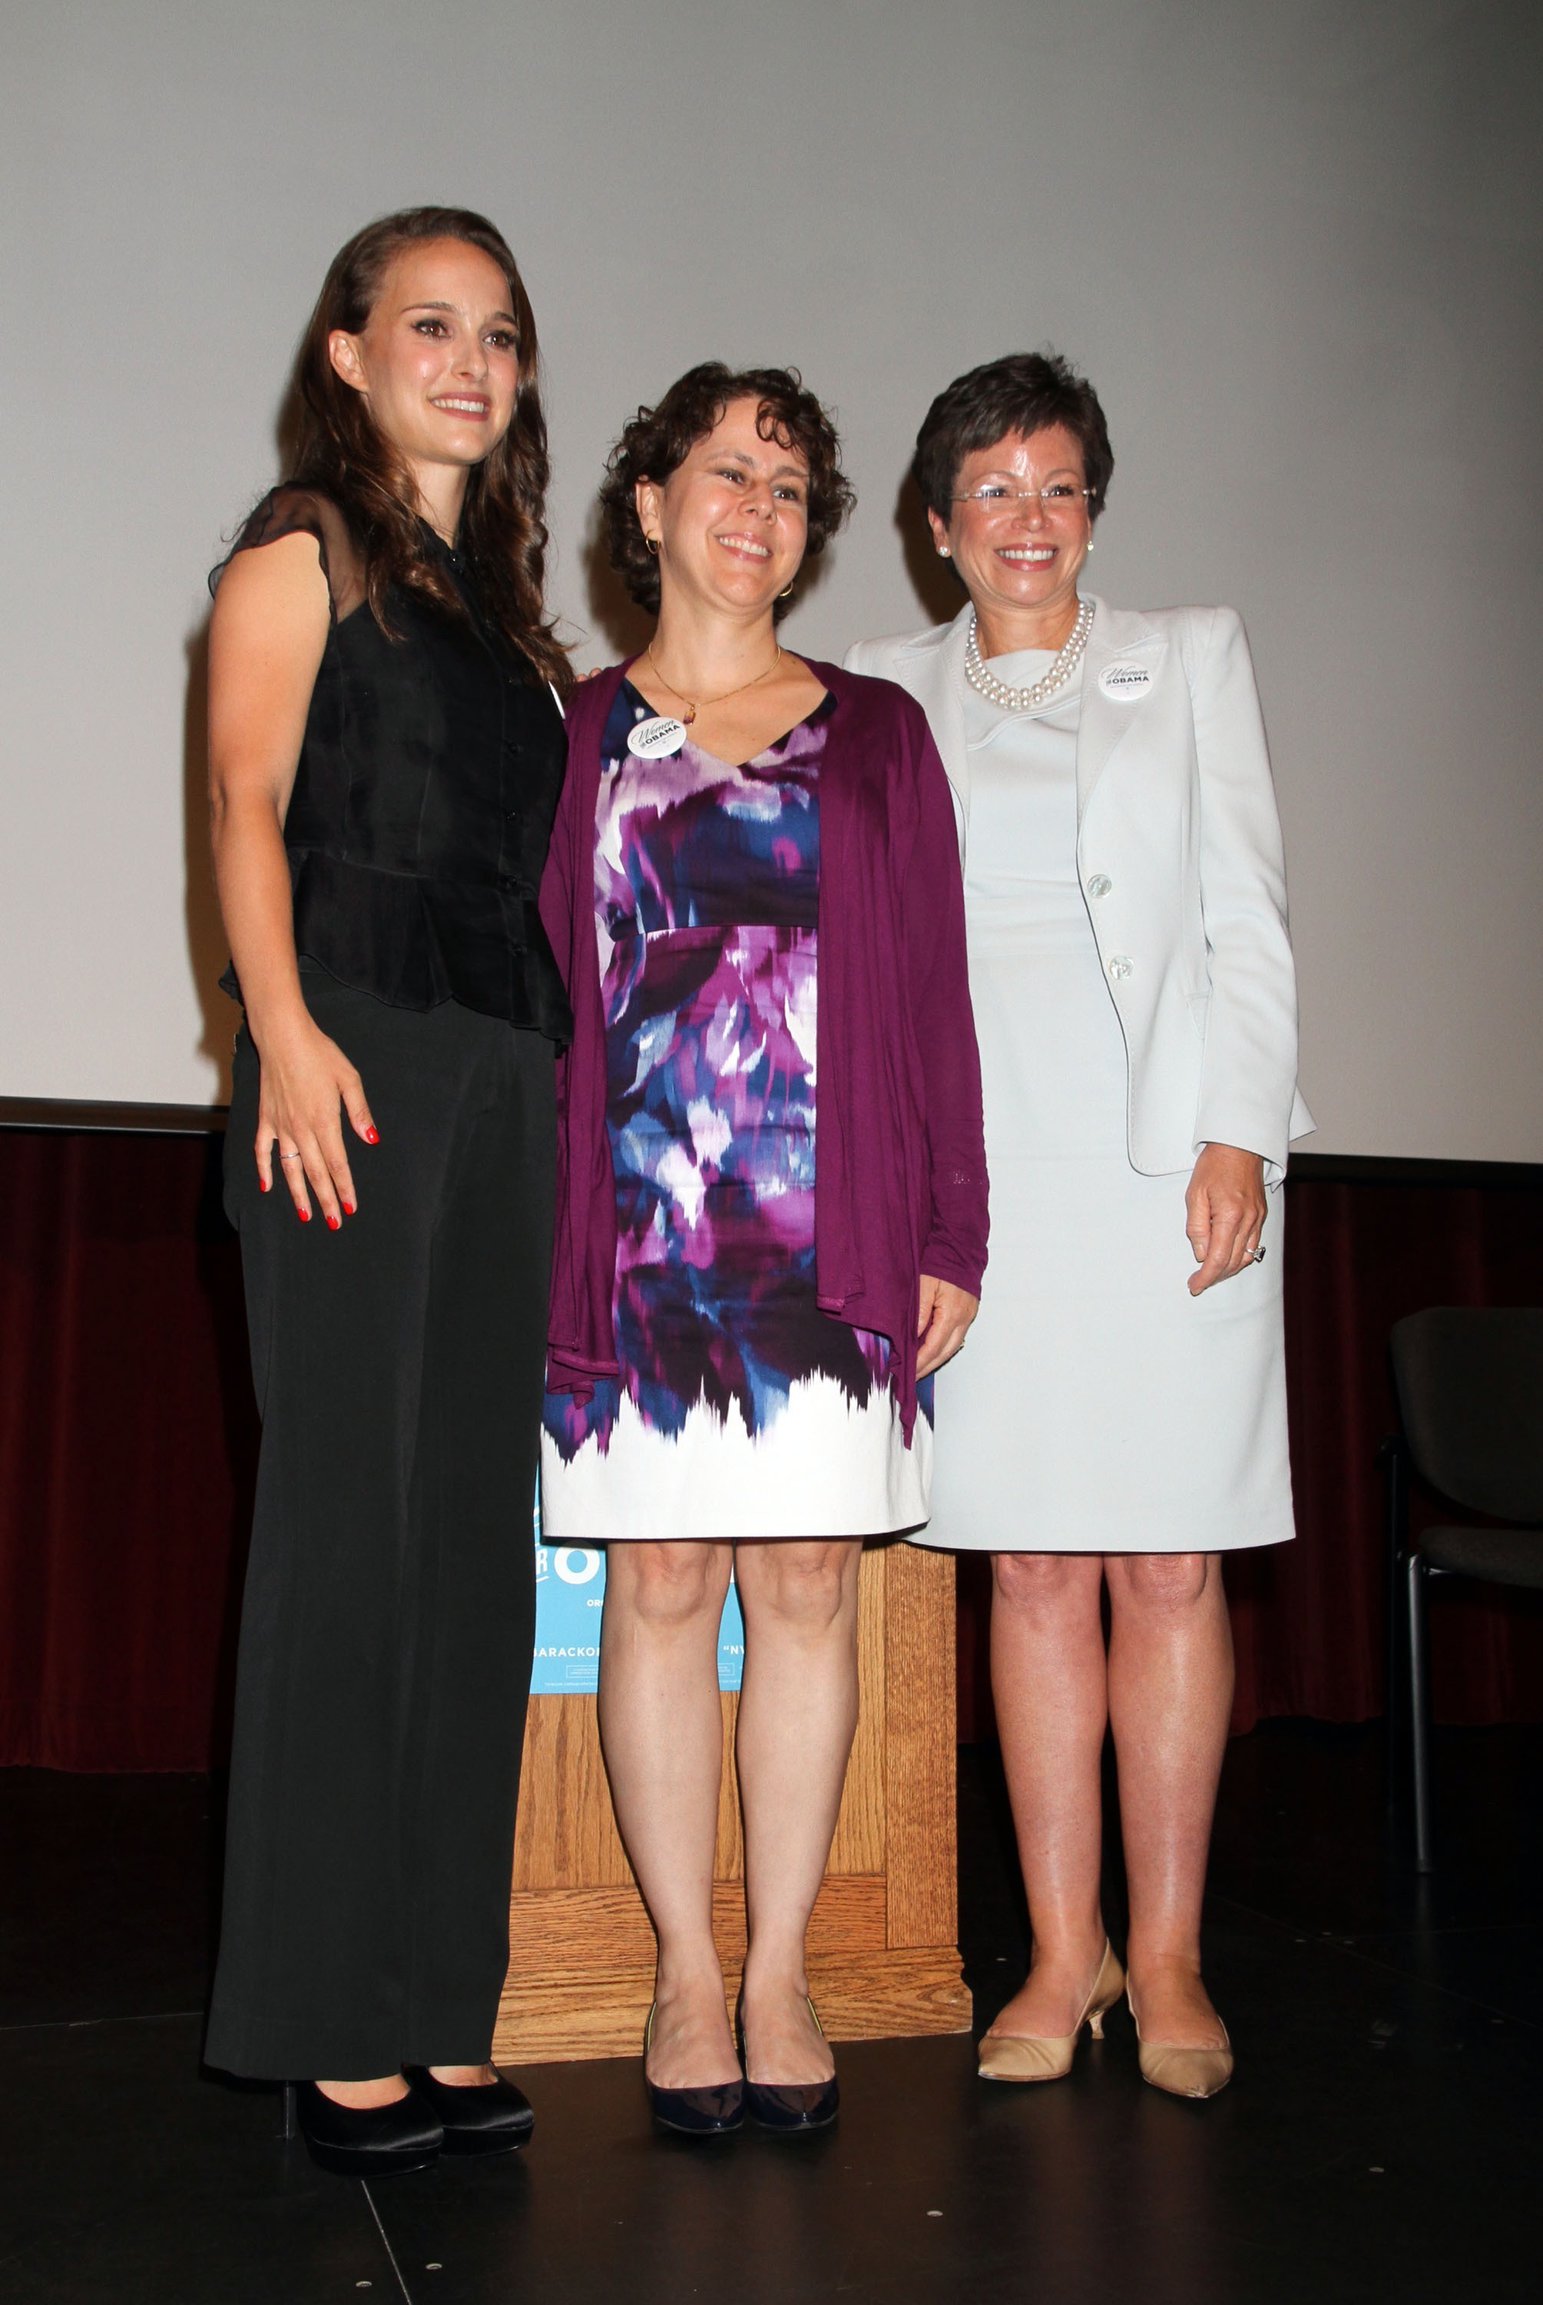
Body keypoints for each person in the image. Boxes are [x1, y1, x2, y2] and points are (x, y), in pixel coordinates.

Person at [847, 351, 1312, 2100]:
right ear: (939, 526)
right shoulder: (879, 691)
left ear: (1091, 508)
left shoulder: (1187, 655)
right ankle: (1063, 1950)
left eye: (1058, 486)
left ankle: (1175, 1953)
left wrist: (1236, 1131)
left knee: (1170, 1561)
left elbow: (1252, 915)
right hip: (981, 1178)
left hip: (1161, 1164)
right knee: (1031, 1564)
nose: (1027, 519)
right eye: (993, 490)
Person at [540, 364, 987, 2136]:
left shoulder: (878, 730)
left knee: (805, 1581)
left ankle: (785, 1965)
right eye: (726, 472)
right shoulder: (571, 734)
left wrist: (953, 1221)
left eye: (791, 487)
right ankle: (680, 1971)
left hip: (832, 1231)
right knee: (659, 1590)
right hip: (635, 1230)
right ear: (646, 502)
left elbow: (938, 997)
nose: (759, 507)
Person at [204, 207, 572, 2176]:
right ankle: (322, 2015)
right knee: (350, 1541)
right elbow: (245, 801)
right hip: (347, 1052)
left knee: (466, 1554)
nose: (468, 359)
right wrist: (280, 1028)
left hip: (505, 1074)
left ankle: (437, 2000)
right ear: (347, 350)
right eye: (428, 324)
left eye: (497, 334)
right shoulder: (305, 546)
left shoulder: (509, 622)